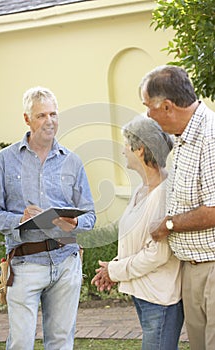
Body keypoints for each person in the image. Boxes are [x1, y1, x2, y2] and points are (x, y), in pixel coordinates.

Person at [0, 86, 96, 350]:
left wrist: (77, 223)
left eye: (53, 114)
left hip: (66, 260)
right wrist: (19, 219)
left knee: (60, 342)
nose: (49, 121)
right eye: (42, 115)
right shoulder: (6, 160)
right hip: (24, 264)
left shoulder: (72, 161)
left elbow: (90, 214)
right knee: (21, 343)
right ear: (27, 119)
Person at [91, 115, 184, 350]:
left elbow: (159, 254)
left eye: (126, 145)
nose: (123, 151)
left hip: (160, 299)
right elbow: (135, 241)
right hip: (144, 295)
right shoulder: (141, 190)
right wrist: (112, 268)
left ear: (140, 149)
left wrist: (115, 271)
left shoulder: (165, 193)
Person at [140, 65, 215, 350]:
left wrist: (169, 224)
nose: (148, 114)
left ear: (167, 106)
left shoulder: (209, 138)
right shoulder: (182, 137)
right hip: (193, 269)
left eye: (149, 107)